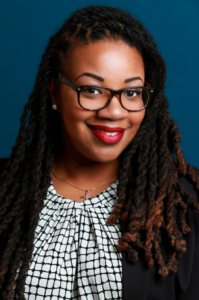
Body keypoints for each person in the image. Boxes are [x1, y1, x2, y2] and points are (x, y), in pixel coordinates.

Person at [0, 4, 199, 300]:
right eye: (92, 90)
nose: (114, 111)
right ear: (55, 91)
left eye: (131, 92)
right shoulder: (7, 191)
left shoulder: (183, 203)